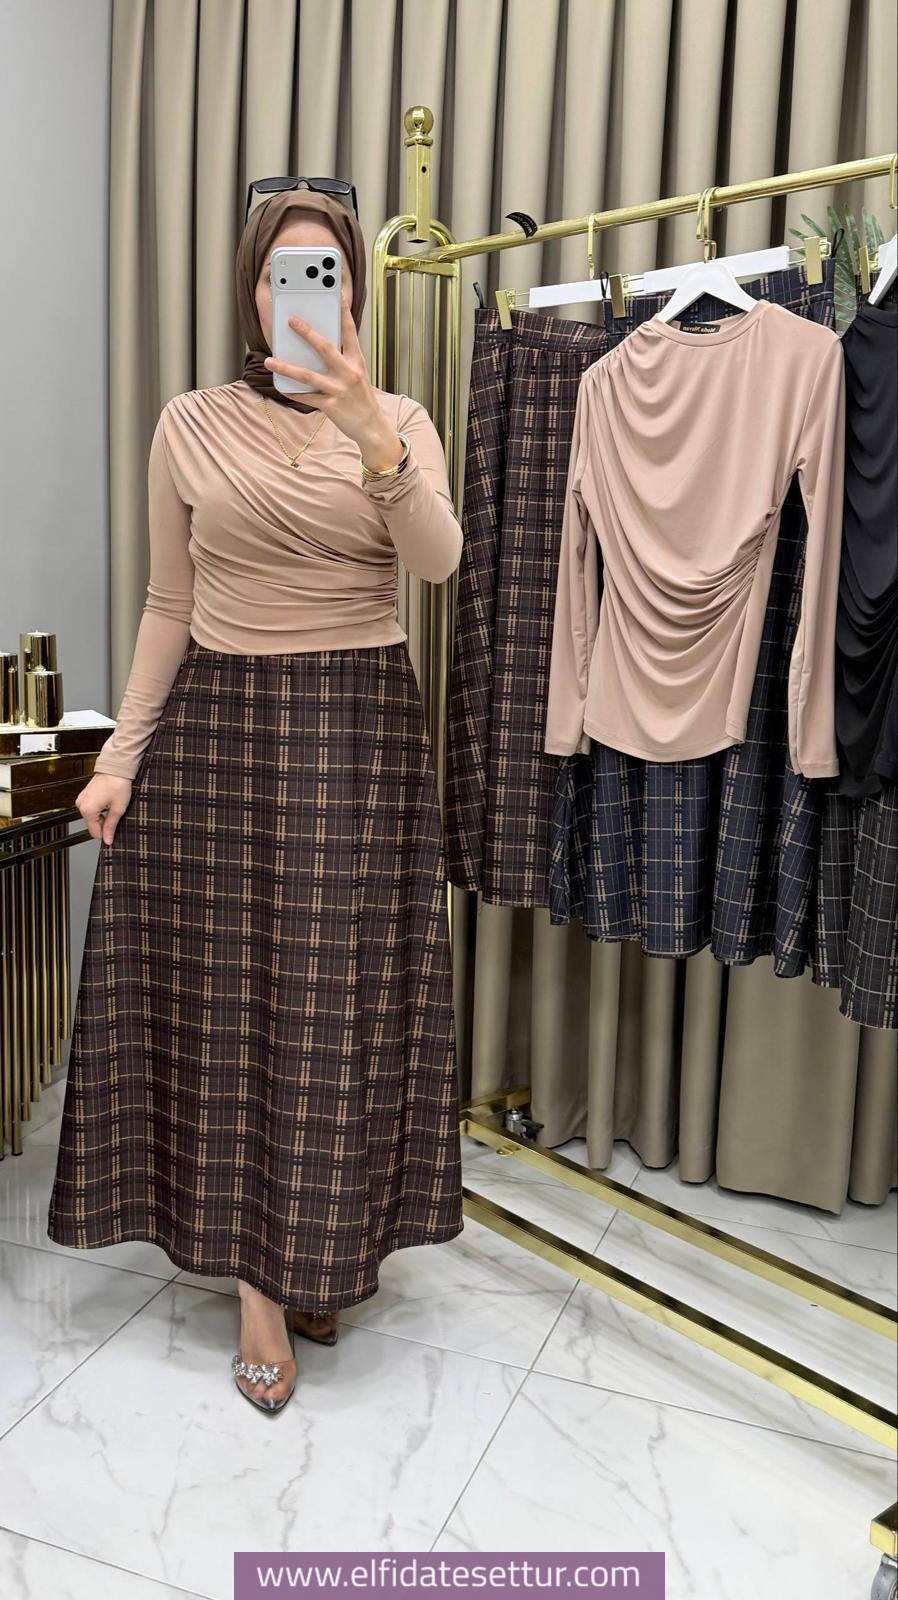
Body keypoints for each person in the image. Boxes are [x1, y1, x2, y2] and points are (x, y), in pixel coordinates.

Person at [46, 187, 466, 1415]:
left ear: (355, 289)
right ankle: (259, 1290)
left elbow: (437, 562)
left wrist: (368, 431)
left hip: (358, 733)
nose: (303, 292)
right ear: (252, 292)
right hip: (220, 730)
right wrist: (120, 758)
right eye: (285, 272)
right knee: (230, 1008)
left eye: (325, 270)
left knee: (334, 1007)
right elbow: (167, 603)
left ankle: (318, 1245)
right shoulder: (190, 423)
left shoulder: (400, 419)